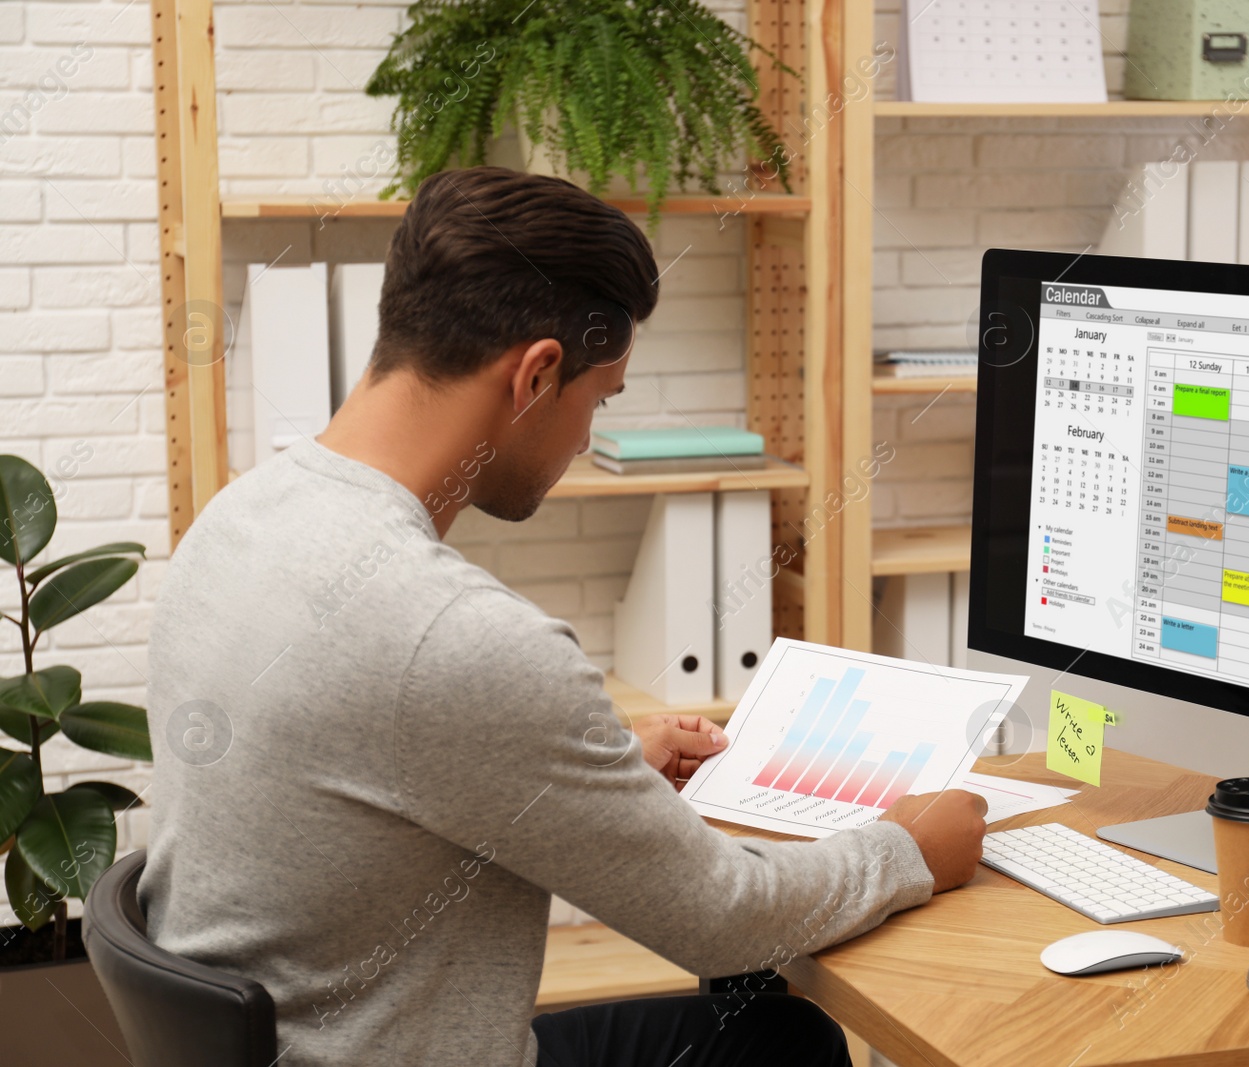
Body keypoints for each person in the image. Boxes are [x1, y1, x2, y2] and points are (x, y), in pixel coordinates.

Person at [142, 166, 989, 1067]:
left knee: (766, 1028)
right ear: (537, 374)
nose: (588, 436)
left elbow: (385, 763)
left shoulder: (237, 518)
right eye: (601, 398)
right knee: (782, 1040)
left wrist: (591, 770)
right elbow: (724, 918)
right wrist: (907, 847)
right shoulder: (453, 636)